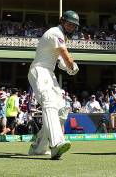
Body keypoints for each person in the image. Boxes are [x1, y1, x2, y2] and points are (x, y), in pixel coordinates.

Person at [27, 10, 80, 159]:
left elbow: (61, 62)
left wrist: (69, 67)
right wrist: (72, 65)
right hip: (39, 70)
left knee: (62, 110)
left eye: (74, 26)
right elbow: (65, 54)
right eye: (69, 24)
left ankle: (38, 147)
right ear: (62, 21)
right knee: (49, 103)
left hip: (49, 72)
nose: (71, 27)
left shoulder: (61, 36)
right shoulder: (55, 32)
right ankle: (56, 144)